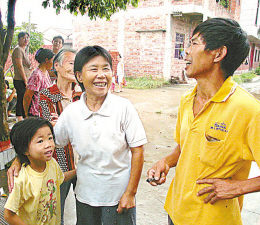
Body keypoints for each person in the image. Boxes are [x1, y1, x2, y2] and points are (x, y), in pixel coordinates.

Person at [147, 18, 259, 225]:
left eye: (194, 43)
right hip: (176, 212)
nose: (186, 51)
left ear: (218, 53)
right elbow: (185, 148)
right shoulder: (186, 99)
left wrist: (237, 187)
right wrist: (166, 162)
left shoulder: (248, 110)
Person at [54, 45, 147, 224]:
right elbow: (53, 142)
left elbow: (138, 151)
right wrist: (21, 158)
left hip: (119, 197)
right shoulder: (72, 112)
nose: (101, 75)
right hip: (85, 196)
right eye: (94, 69)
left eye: (106, 68)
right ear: (79, 76)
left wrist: (130, 193)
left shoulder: (123, 107)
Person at [4, 117, 76, 225]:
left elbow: (61, 177)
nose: (48, 145)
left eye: (50, 138)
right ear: (25, 150)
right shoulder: (22, 180)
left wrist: (79, 171)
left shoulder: (51, 163)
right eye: (40, 141)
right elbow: (9, 215)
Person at [39, 47, 81, 225]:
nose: (75, 67)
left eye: (77, 64)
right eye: (71, 63)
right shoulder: (46, 94)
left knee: (87, 212)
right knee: (57, 214)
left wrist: (61, 122)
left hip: (84, 162)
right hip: (60, 163)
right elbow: (52, 132)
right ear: (57, 65)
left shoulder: (83, 94)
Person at [23, 48, 54, 117]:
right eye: (52, 60)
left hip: (45, 113)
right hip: (36, 114)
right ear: (46, 60)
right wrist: (26, 115)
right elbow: (27, 96)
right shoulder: (37, 75)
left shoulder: (45, 72)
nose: (53, 63)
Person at [12, 32, 32, 121]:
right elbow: (19, 66)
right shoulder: (18, 50)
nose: (26, 39)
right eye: (23, 37)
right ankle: (19, 117)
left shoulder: (23, 50)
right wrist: (25, 80)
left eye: (27, 37)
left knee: (25, 98)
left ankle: (24, 116)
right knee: (21, 98)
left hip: (25, 79)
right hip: (20, 80)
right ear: (19, 39)